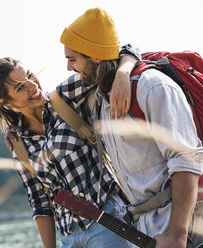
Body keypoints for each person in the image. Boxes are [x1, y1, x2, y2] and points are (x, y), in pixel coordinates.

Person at [59, 7, 203, 248]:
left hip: (185, 228)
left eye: (73, 59)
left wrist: (177, 234)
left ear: (95, 56)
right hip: (144, 231)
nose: (69, 68)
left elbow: (186, 160)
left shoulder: (152, 87)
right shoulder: (98, 100)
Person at [0, 44, 140, 248]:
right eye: (21, 87)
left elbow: (122, 52)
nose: (32, 85)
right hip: (68, 238)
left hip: (109, 222)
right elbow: (40, 204)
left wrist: (122, 74)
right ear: (5, 102)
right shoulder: (19, 146)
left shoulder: (65, 97)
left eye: (30, 75)